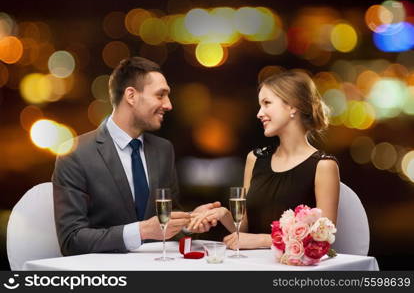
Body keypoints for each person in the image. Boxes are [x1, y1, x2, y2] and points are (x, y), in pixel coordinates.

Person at [53, 57, 219, 256]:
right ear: (131, 96)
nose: (168, 105)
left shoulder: (163, 149)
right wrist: (141, 231)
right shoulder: (75, 154)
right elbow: (71, 240)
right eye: (160, 95)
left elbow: (165, 222)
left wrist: (187, 223)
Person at [188, 70, 340, 250]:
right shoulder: (255, 158)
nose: (259, 113)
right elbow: (243, 227)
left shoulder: (323, 166)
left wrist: (262, 240)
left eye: (267, 103)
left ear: (293, 106)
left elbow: (323, 238)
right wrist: (223, 214)